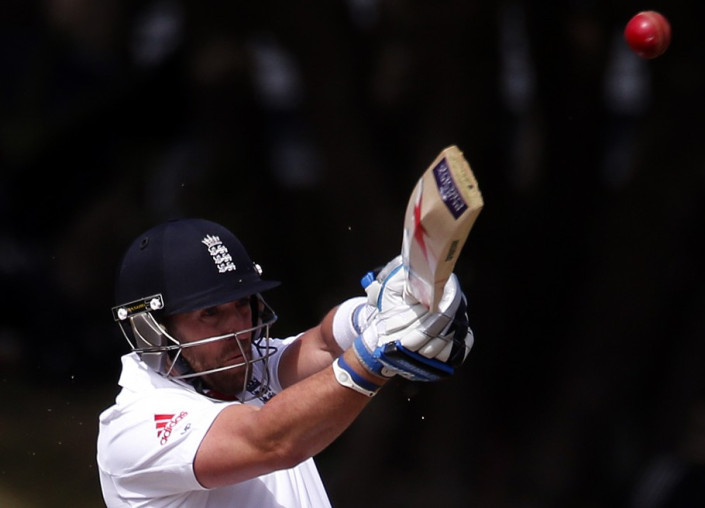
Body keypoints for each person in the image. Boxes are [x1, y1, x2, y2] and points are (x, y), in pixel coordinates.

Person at [96, 217, 473, 507]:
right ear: (152, 330)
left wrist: (374, 314)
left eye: (242, 305)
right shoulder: (133, 428)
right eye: (210, 313)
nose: (239, 330)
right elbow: (270, 440)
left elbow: (324, 345)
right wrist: (376, 351)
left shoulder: (241, 368)